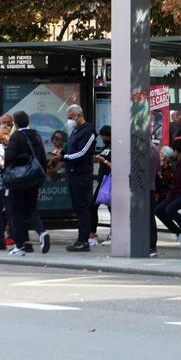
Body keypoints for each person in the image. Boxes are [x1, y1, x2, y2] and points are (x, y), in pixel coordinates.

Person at [6, 110, 51, 256]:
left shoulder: (16, 137)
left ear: (15, 123)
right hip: (33, 180)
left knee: (16, 212)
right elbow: (42, 159)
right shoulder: (35, 135)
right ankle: (42, 233)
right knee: (31, 209)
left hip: (19, 181)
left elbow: (9, 158)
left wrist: (7, 173)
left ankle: (20, 246)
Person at [62, 105, 96, 252]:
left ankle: (84, 240)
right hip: (74, 174)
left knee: (82, 208)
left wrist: (65, 157)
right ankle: (81, 239)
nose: (69, 121)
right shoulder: (76, 131)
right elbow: (72, 148)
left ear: (78, 115)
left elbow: (82, 153)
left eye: (70, 117)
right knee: (78, 208)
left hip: (82, 175)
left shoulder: (88, 131)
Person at [89, 125, 113, 246]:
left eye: (102, 136)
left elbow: (115, 165)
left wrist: (103, 161)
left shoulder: (115, 147)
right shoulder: (106, 147)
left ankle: (114, 234)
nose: (101, 138)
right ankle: (92, 233)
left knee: (112, 208)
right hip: (102, 181)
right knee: (93, 206)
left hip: (110, 181)